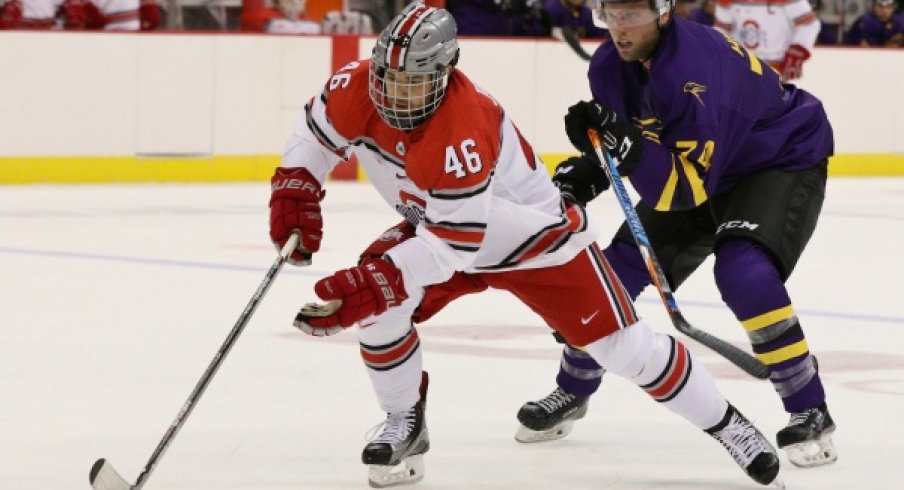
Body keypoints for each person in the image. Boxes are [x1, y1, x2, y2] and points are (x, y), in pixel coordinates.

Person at [271, 2, 782, 488]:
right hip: (446, 226)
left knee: (622, 348)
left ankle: (728, 424)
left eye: (414, 83)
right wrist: (297, 182)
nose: (395, 95)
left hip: (534, 241)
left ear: (444, 74)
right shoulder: (356, 86)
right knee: (381, 307)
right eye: (389, 80)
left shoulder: (462, 126)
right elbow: (315, 134)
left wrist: (379, 279)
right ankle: (404, 420)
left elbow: (458, 243)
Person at [514, 0, 838, 471]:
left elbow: (685, 191)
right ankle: (574, 388)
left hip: (775, 159)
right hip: (706, 165)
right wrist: (591, 167)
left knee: (744, 273)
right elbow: (632, 139)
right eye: (611, 16)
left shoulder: (692, 69)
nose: (619, 29)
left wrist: (624, 150)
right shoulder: (610, 64)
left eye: (631, 16)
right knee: (611, 277)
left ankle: (809, 406)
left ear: (663, 13)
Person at [713, 0, 820, 81]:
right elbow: (722, 28)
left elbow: (809, 25)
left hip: (777, 70)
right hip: (741, 70)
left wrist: (796, 53)